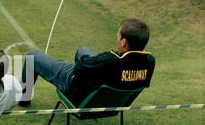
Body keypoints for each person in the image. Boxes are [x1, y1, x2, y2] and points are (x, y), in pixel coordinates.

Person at [19, 18, 155, 107]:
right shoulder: (149, 62)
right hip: (111, 100)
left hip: (79, 91)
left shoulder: (110, 60)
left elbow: (79, 67)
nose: (117, 39)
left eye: (118, 37)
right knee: (83, 50)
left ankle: (24, 98)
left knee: (33, 55)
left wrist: (89, 64)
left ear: (124, 42)